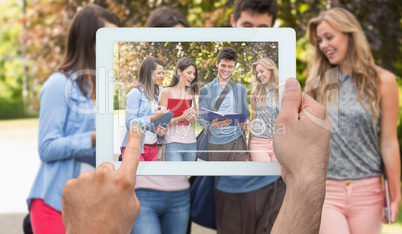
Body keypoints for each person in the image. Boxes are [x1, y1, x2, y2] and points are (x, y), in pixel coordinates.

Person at [62, 78, 333, 234]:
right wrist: (306, 178)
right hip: (151, 185)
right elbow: (158, 125)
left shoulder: (210, 93)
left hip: (181, 188)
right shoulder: (152, 95)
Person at [26, 4, 121, 234]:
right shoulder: (59, 85)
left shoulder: (96, 88)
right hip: (54, 204)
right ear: (88, 40)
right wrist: (93, 137)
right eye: (110, 39)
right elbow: (47, 148)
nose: (116, 47)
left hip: (88, 205)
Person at [306, 7, 401, 233]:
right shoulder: (317, 85)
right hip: (327, 190)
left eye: (329, 37)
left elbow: (388, 142)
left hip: (368, 190)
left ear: (350, 35)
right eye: (320, 40)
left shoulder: (383, 82)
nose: (323, 45)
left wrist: (395, 194)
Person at [207, 0, 285, 234]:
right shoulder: (247, 88)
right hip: (231, 186)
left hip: (274, 184)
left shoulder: (281, 80)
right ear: (233, 21)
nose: (254, 33)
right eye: (247, 25)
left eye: (262, 28)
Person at [125, 7, 192, 234]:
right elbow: (131, 124)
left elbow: (160, 131)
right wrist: (153, 119)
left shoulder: (163, 93)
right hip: (143, 191)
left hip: (180, 190)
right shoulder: (136, 94)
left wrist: (164, 126)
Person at [120, 56, 167, 162]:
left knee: (149, 179)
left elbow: (155, 124)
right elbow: (130, 123)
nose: (162, 76)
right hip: (136, 148)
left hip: (153, 148)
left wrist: (161, 132)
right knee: (137, 179)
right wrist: (154, 117)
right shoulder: (135, 93)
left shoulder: (157, 95)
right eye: (159, 73)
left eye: (162, 73)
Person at [160, 57, 198, 161]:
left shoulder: (191, 93)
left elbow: (194, 121)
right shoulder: (166, 92)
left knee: (188, 177)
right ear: (179, 71)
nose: (192, 77)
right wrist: (181, 117)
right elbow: (162, 122)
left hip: (191, 143)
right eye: (189, 73)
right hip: (172, 144)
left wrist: (192, 117)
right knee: (176, 177)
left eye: (194, 74)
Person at [248, 57, 279, 161]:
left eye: (261, 71)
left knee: (278, 177)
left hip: (279, 143)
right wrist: (249, 147)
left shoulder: (282, 91)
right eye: (257, 73)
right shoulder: (255, 93)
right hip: (259, 143)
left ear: (271, 70)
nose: (259, 75)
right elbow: (253, 119)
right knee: (264, 176)